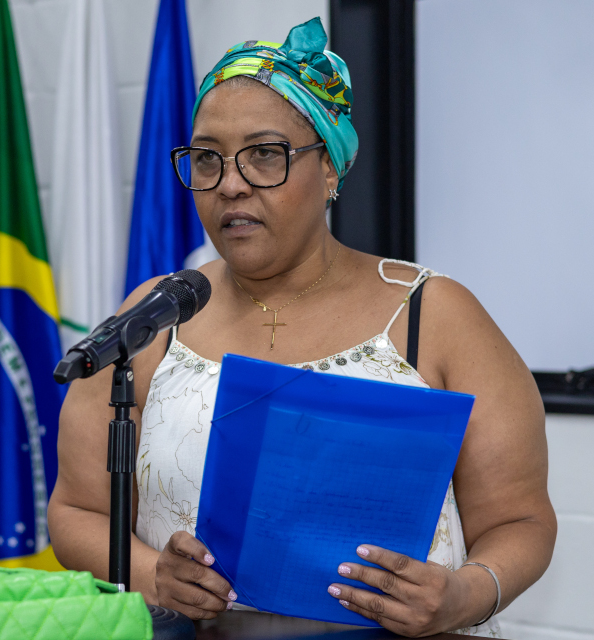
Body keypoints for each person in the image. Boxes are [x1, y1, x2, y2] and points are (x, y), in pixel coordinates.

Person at [48, 17, 555, 637]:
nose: (230, 183)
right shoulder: (158, 314)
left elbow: (521, 522)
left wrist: (462, 596)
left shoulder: (433, 313)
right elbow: (76, 510)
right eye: (207, 159)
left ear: (332, 169)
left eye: (265, 155)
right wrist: (156, 573)